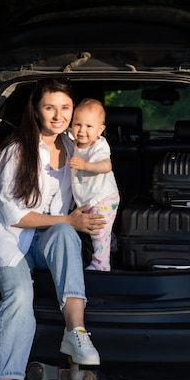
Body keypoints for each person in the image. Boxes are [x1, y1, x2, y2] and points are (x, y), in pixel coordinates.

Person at [0, 78, 105, 380]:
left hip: (45, 240)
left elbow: (103, 171)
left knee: (66, 235)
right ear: (36, 111)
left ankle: (75, 333)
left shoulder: (74, 146)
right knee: (19, 293)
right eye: (50, 107)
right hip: (8, 243)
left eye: (66, 108)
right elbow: (15, 217)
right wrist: (69, 220)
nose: (59, 116)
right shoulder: (17, 152)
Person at [68, 98, 120, 271]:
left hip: (103, 197)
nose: (82, 130)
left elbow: (107, 166)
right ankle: (113, 246)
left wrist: (85, 166)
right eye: (77, 124)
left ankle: (101, 265)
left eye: (89, 126)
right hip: (88, 197)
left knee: (97, 231)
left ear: (100, 129)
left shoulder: (99, 145)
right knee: (103, 229)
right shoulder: (71, 141)